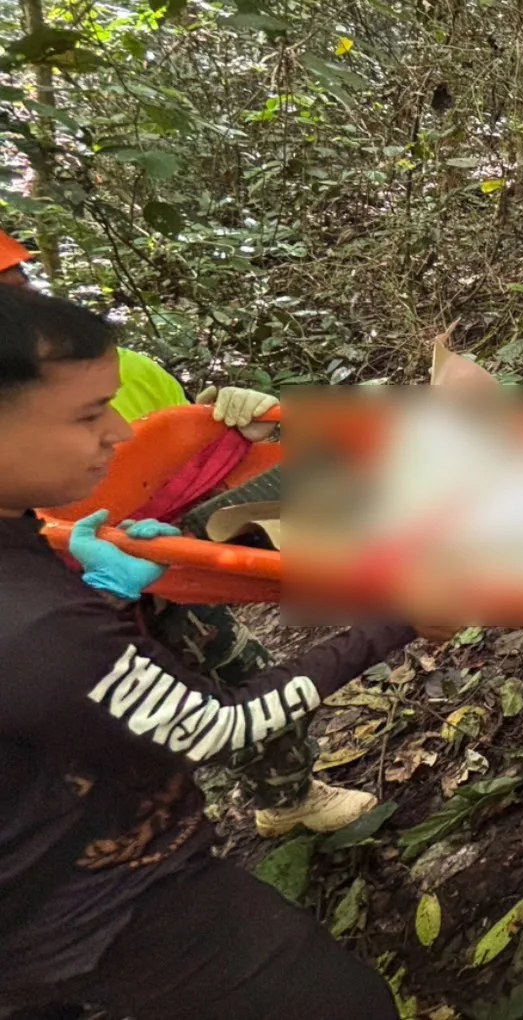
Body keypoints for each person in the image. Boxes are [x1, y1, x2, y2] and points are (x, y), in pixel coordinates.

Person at [0, 286, 456, 1019]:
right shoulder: (38, 626)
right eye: (88, 417)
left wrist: (111, 596)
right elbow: (218, 725)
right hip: (89, 916)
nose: (117, 433)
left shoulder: (27, 557)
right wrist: (397, 621)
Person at [0, 228, 370, 837]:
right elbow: (214, 724)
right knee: (123, 743)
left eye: (21, 288)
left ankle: (287, 797)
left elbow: (173, 451)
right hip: (63, 604)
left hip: (159, 567)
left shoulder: (121, 370)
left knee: (245, 677)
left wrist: (229, 432)